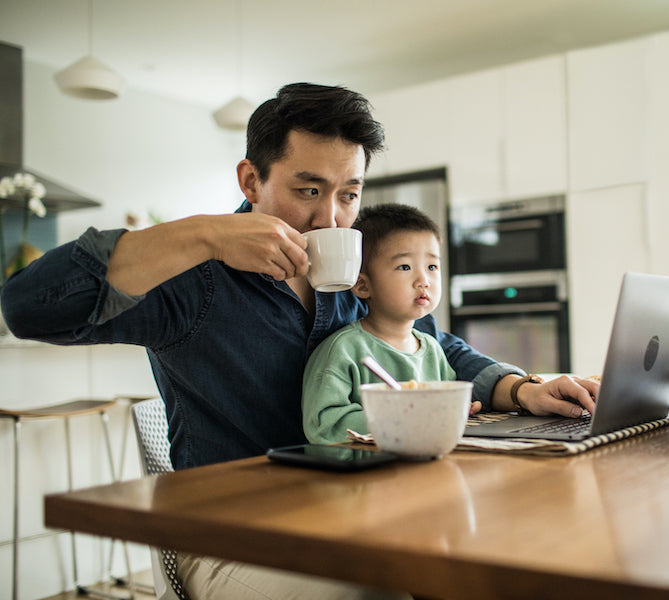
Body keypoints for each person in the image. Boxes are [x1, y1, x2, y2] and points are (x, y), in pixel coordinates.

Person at [0, 82, 598, 599]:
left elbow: (433, 345)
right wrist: (208, 233)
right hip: (231, 536)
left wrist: (521, 389)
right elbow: (27, 306)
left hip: (357, 509)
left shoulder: (353, 276)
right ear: (250, 179)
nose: (332, 219)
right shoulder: (193, 280)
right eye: (308, 190)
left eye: (349, 194)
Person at [303, 203, 474, 444]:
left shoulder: (433, 349)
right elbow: (324, 425)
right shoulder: (343, 350)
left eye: (432, 266)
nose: (423, 280)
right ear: (362, 285)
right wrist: (403, 418)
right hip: (364, 474)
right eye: (404, 266)